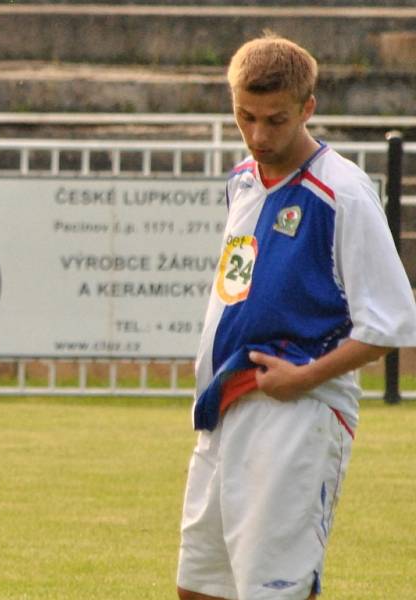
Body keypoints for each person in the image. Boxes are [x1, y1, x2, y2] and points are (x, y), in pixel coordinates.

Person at [176, 33, 416, 600]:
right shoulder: (241, 182)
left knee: (275, 590)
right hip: (225, 407)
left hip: (299, 413)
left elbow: (393, 322)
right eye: (245, 117)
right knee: (200, 588)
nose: (259, 135)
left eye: (275, 120)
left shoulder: (343, 193)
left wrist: (303, 378)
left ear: (308, 108)